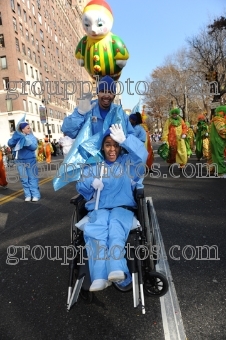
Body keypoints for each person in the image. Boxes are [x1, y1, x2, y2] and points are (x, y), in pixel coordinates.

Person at [76, 124, 148, 291]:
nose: (112, 149)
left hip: (122, 208)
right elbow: (81, 186)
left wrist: (126, 140)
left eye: (116, 144)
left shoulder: (128, 163)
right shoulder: (94, 165)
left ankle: (118, 271)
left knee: (115, 227)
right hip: (99, 209)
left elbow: (142, 157)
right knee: (97, 231)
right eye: (108, 144)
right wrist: (90, 182)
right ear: (102, 146)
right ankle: (99, 276)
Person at [53, 75, 135, 191]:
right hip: (91, 163)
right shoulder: (87, 108)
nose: (106, 95)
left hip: (114, 161)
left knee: (115, 192)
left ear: (114, 95)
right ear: (97, 93)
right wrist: (80, 113)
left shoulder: (119, 112)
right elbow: (68, 131)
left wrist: (125, 141)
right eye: (103, 91)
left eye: (110, 92)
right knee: (91, 194)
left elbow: (132, 136)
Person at [8, 121, 41, 202]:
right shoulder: (18, 136)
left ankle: (35, 195)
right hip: (20, 161)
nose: (30, 129)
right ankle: (28, 195)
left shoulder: (31, 137)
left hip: (30, 160)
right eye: (28, 128)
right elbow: (10, 143)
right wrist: (15, 138)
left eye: (29, 128)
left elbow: (34, 147)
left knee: (32, 177)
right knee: (24, 179)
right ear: (22, 129)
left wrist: (26, 141)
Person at [207, 106, 226, 178]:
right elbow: (222, 130)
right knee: (218, 156)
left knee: (212, 156)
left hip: (215, 140)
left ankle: (212, 170)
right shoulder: (218, 120)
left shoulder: (215, 120)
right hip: (217, 140)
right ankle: (220, 172)